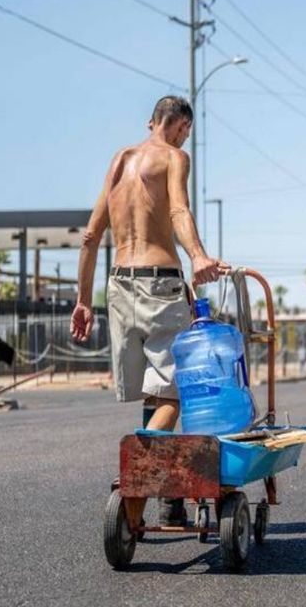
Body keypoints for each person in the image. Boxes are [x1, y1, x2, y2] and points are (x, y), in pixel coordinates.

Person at [70, 95, 226, 523]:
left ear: (150, 121)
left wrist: (83, 300)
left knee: (152, 392)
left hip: (118, 287)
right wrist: (198, 255)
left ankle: (166, 501)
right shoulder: (176, 157)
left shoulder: (119, 159)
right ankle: (133, 481)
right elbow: (178, 208)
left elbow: (89, 236)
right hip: (159, 282)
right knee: (176, 392)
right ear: (180, 128)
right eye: (185, 132)